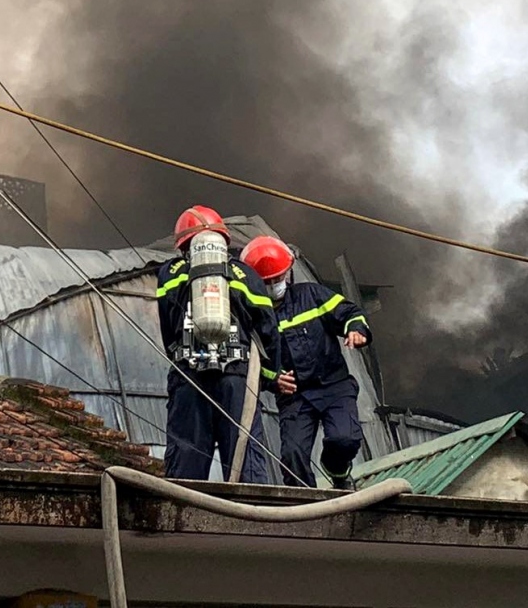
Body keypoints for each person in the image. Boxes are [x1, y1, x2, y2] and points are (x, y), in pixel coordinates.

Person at [155, 205, 280, 482]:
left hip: (188, 375)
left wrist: (179, 359)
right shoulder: (246, 274)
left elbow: (168, 326)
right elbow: (268, 329)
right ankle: (251, 516)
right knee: (243, 457)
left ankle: (182, 519)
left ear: (182, 244)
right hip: (236, 376)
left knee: (186, 462)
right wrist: (268, 378)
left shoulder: (169, 273)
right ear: (224, 239)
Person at [241, 234, 371, 489]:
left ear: (288, 273)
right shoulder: (252, 316)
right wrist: (274, 379)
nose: (274, 285)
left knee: (344, 439)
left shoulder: (311, 295)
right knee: (292, 457)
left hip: (334, 386)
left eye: (278, 278)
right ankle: (305, 506)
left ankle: (338, 472)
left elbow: (349, 312)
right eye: (267, 281)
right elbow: (247, 362)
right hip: (296, 398)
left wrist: (357, 331)